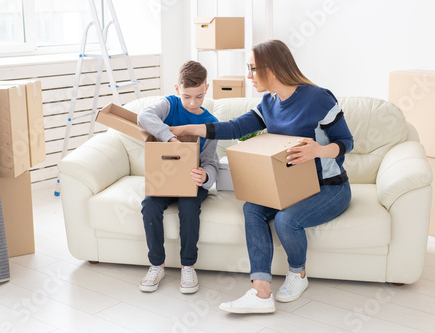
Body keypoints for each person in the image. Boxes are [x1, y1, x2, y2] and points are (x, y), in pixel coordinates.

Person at [170, 40, 353, 313]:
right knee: (252, 209)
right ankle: (261, 291)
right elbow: (234, 127)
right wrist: (191, 128)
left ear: (273, 69)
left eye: (252, 68)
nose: (248, 75)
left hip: (330, 188)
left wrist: (319, 150)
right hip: (292, 186)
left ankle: (298, 274)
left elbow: (346, 141)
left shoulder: (319, 98)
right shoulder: (269, 102)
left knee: (286, 219)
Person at [137, 60, 219, 294]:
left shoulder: (211, 123)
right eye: (187, 96)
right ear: (177, 90)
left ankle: (188, 265)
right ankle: (156, 265)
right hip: (164, 178)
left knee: (189, 207)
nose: (193, 103)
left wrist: (205, 176)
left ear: (207, 88)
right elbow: (144, 116)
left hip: (193, 181)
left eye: (199, 96)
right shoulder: (170, 105)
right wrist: (171, 141)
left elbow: (211, 162)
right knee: (149, 206)